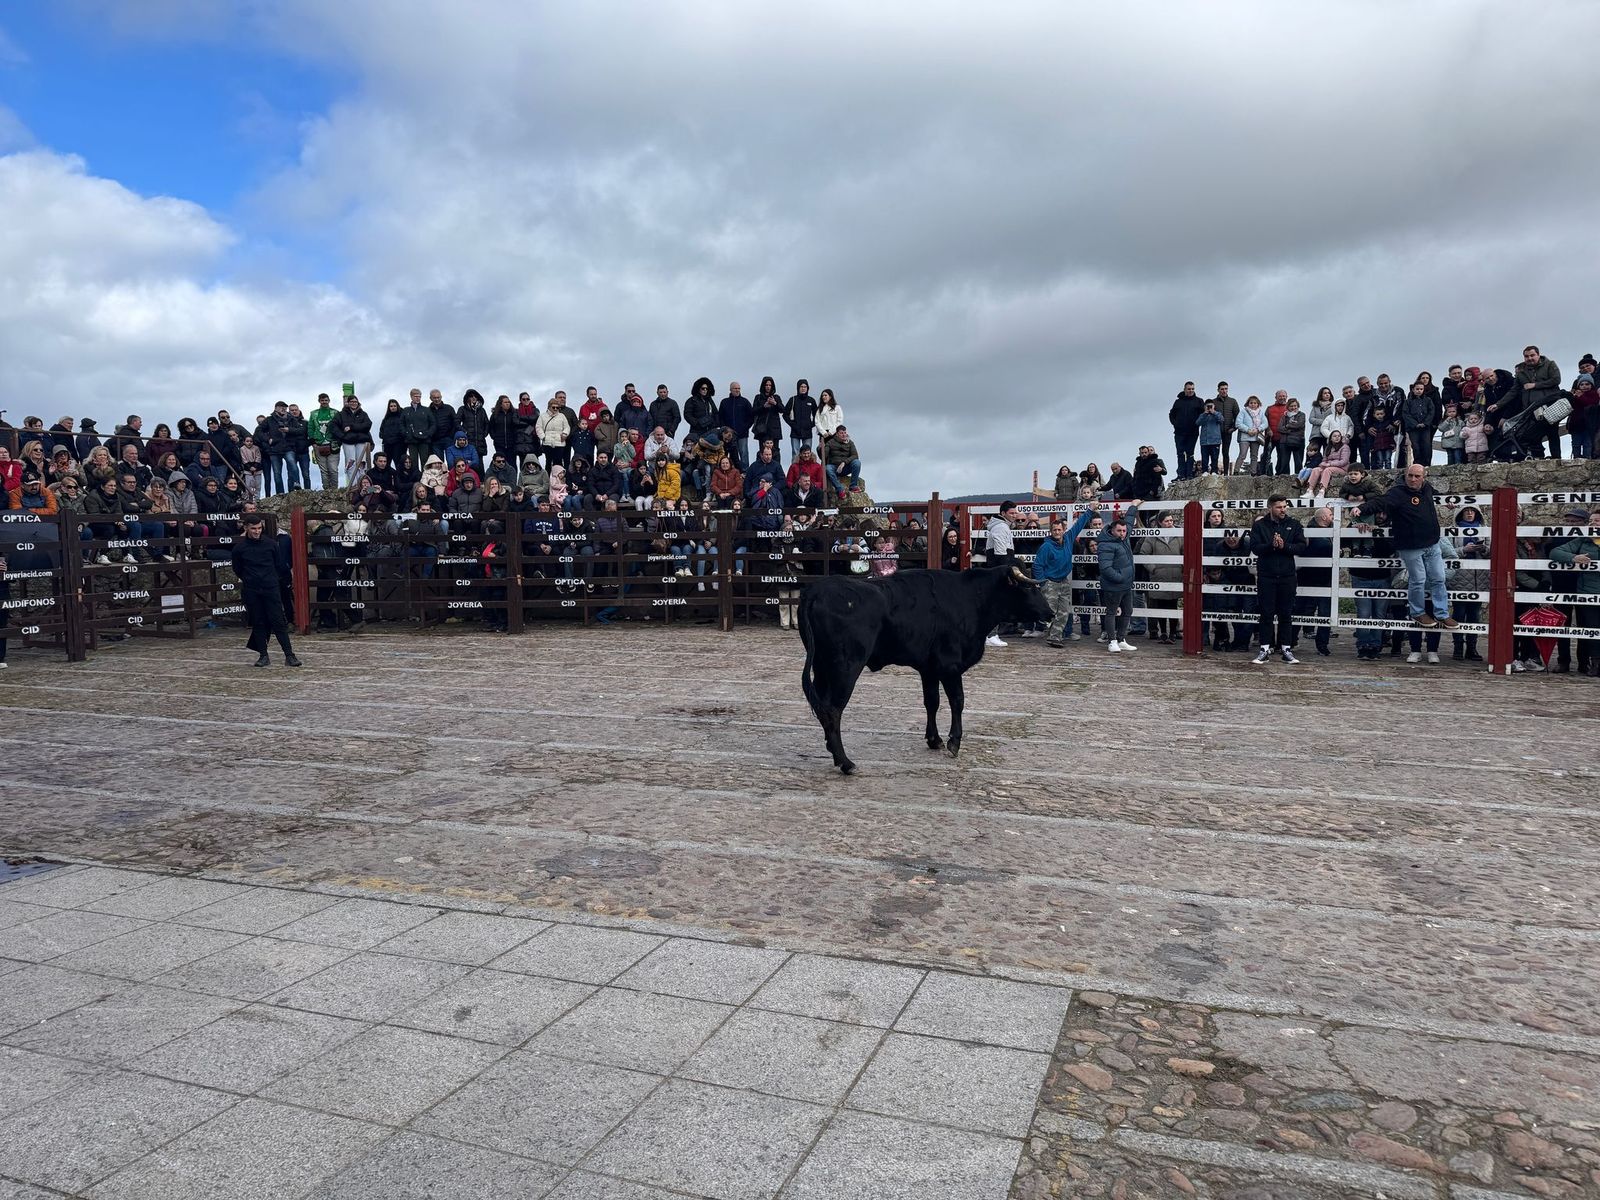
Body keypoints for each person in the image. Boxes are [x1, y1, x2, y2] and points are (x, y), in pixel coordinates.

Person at [1348, 463, 1460, 631]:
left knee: (1439, 578)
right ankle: (1417, 612)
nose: (1413, 479)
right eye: (1410, 475)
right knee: (1419, 579)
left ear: (1424, 477)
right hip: (1411, 545)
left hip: (1432, 542)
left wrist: (1447, 502)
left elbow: (1438, 496)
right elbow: (1380, 502)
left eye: (1417, 476)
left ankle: (1442, 614)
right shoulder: (1397, 492)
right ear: (1406, 475)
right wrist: (1361, 508)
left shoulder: (1427, 488)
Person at [231, 512, 300, 666]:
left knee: (278, 622)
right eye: (254, 528)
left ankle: (289, 655)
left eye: (259, 528)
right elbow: (237, 569)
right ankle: (263, 655)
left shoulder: (271, 544)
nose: (257, 531)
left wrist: (275, 580)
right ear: (246, 528)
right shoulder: (239, 549)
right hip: (252, 589)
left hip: (270, 587)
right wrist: (250, 579)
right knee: (258, 622)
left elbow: (279, 565)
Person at [1249, 495, 1308, 664]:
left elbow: (1301, 546)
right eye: (1279, 507)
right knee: (1266, 613)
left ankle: (1286, 649)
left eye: (1284, 506)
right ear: (1270, 508)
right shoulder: (1259, 525)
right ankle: (1265, 649)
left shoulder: (1294, 524)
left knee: (1286, 614)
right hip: (1267, 576)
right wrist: (1271, 546)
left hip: (1287, 576)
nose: (1283, 510)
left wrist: (1285, 547)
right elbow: (1255, 547)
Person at [1032, 504, 1099, 647]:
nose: (1057, 532)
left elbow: (1079, 525)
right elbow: (1037, 565)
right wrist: (1042, 583)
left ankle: (1055, 637)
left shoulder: (1068, 538)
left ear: (1063, 530)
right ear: (1050, 531)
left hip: (1063, 581)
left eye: (1059, 529)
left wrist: (1090, 511)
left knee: (1064, 611)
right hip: (1050, 581)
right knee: (1050, 611)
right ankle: (1047, 631)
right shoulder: (1046, 547)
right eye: (1054, 530)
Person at [1097, 501, 1142, 651]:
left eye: (1124, 531)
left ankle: (1121, 639)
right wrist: (1120, 578)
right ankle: (1112, 641)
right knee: (1111, 612)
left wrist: (1133, 506)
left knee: (1128, 611)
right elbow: (1105, 568)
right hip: (1114, 585)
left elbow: (1128, 521)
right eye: (1119, 531)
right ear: (1112, 530)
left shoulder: (1123, 537)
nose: (1123, 533)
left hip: (1126, 585)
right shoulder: (1105, 544)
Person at [1168, 382, 1202, 480]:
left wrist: (1196, 424)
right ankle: (1180, 475)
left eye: (1192, 389)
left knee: (1190, 453)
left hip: (1192, 432)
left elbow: (1202, 415)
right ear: (1184, 389)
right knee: (1180, 454)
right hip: (1179, 433)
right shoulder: (1178, 402)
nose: (1191, 390)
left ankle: (1189, 474)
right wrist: (1175, 424)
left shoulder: (1199, 401)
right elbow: (1171, 414)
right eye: (1189, 389)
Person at [823, 426, 861, 498]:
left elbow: (855, 455)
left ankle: (853, 486)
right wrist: (820, 448)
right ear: (837, 434)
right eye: (841, 433)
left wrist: (844, 462)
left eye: (845, 433)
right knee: (828, 468)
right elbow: (824, 455)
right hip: (834, 467)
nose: (844, 435)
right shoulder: (830, 442)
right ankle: (840, 489)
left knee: (857, 463)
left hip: (845, 467)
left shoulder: (850, 442)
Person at [1196, 400, 1224, 475]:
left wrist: (1213, 412)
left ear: (1214, 406)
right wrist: (1205, 414)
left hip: (1215, 440)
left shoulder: (1217, 414)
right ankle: (1204, 471)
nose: (1209, 408)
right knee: (1204, 457)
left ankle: (1214, 471)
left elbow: (1221, 420)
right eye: (1207, 406)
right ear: (1204, 407)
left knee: (1215, 457)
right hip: (1204, 441)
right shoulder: (1202, 415)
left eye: (1211, 406)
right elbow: (1197, 423)